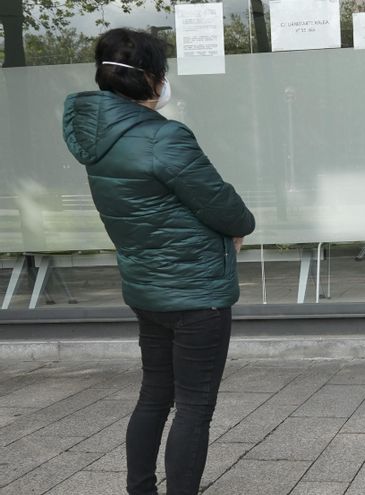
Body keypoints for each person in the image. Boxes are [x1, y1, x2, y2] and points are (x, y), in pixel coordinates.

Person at [62, 28, 255, 495]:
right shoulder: (163, 137)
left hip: (147, 285)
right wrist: (239, 226)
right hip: (195, 290)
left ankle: (141, 490)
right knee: (194, 405)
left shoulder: (96, 138)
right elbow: (224, 207)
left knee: (154, 396)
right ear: (152, 77)